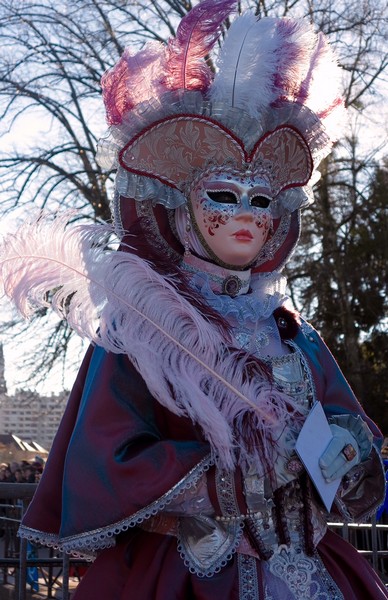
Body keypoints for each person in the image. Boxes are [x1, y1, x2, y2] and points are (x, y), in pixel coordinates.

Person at [1, 1, 386, 598]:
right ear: (182, 208)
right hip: (193, 574)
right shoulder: (144, 326)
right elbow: (107, 461)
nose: (242, 216)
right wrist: (228, 479)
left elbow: (344, 426)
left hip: (311, 567)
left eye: (260, 201)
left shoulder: (291, 330)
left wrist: (347, 453)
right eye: (223, 196)